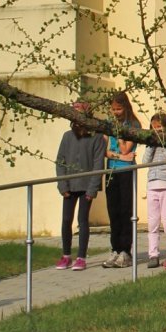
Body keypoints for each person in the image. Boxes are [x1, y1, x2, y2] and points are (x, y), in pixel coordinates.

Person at [54, 103, 105, 271]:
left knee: (82, 220)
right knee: (66, 220)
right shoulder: (67, 136)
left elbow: (98, 164)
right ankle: (66, 255)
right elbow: (60, 161)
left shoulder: (96, 138)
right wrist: (62, 185)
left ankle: (81, 257)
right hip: (69, 186)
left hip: (86, 187)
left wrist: (92, 189)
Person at [102, 91, 140, 268]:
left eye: (118, 109)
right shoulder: (108, 124)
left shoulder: (133, 124)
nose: (115, 112)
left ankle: (126, 250)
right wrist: (115, 154)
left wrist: (118, 136)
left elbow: (126, 149)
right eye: (113, 109)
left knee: (125, 210)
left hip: (126, 171)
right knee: (113, 210)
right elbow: (104, 150)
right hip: (111, 170)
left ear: (125, 107)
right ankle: (115, 249)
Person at [144, 112, 166, 268]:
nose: (156, 130)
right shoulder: (151, 143)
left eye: (159, 127)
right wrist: (151, 144)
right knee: (153, 223)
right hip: (152, 184)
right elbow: (145, 162)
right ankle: (153, 254)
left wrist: (164, 141)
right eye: (153, 128)